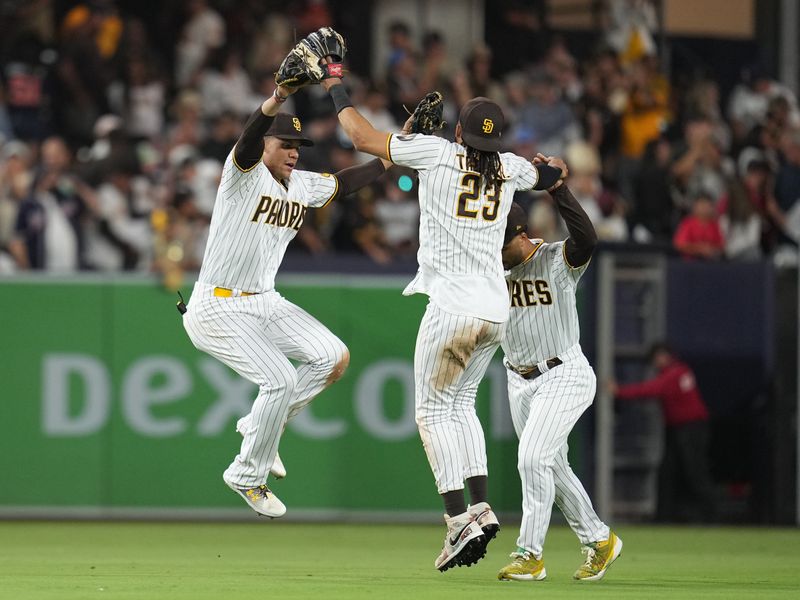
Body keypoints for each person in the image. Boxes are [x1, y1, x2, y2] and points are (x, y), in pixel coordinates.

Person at [320, 74, 565, 570]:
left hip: (452, 306)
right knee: (462, 406)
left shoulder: (435, 153)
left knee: (432, 413)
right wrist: (552, 168)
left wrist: (335, 89)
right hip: (496, 311)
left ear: (459, 135)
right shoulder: (512, 167)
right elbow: (551, 177)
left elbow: (363, 139)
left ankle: (458, 521)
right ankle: (479, 504)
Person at [181, 79, 391, 518]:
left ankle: (260, 428)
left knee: (332, 356)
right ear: (265, 146)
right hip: (217, 305)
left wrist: (392, 154)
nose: (294, 152)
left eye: (299, 144)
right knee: (279, 378)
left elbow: (345, 183)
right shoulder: (242, 174)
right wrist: (276, 97)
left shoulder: (300, 184)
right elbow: (248, 138)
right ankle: (245, 474)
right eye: (285, 143)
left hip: (264, 301)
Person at [497, 178, 622, 583]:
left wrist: (559, 191)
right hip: (518, 379)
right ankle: (599, 539)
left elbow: (586, 238)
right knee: (551, 466)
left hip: (563, 372)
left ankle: (529, 554)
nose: (493, 254)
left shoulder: (554, 259)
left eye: (499, 244)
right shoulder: (491, 269)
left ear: (520, 235)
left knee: (533, 458)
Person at [609, 343, 717, 522]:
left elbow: (651, 389)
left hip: (691, 429)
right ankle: (664, 518)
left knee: (695, 472)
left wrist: (619, 391)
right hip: (678, 430)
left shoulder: (677, 373)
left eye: (657, 358)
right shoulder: (675, 373)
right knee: (667, 472)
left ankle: (711, 516)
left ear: (666, 356)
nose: (655, 363)